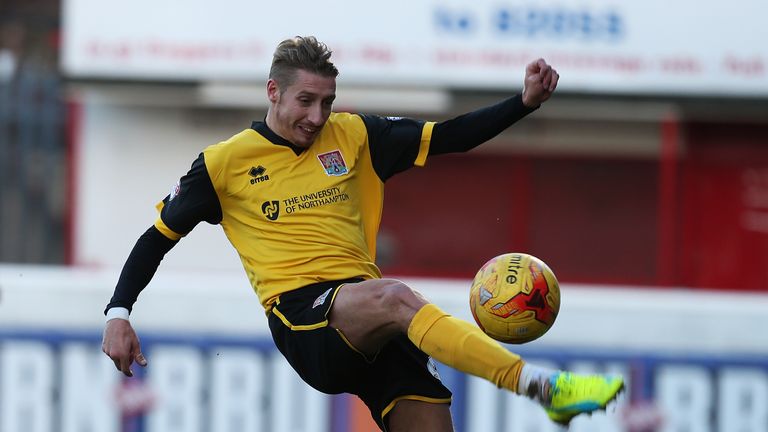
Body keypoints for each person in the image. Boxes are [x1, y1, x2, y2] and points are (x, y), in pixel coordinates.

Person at [102, 35, 623, 431]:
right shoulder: (223, 164)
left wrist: (524, 102)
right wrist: (119, 313)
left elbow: (450, 137)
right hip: (305, 319)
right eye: (306, 101)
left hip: (372, 319)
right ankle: (539, 385)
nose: (317, 115)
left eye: (327, 101)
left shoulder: (356, 135)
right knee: (397, 297)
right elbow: (156, 238)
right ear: (273, 91)